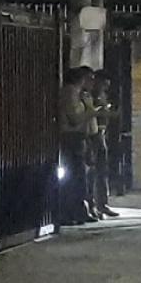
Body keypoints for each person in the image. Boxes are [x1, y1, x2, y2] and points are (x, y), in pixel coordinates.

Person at [58, 66, 102, 225]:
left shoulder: (80, 94)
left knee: (81, 176)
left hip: (80, 136)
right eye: (88, 78)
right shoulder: (70, 92)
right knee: (75, 176)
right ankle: (70, 212)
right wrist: (91, 112)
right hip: (71, 137)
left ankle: (79, 210)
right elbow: (74, 117)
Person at [90, 75, 121, 217]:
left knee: (102, 170)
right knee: (95, 171)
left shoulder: (102, 95)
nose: (105, 88)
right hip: (94, 134)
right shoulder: (90, 96)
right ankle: (94, 204)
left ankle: (102, 203)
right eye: (104, 85)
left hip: (101, 133)